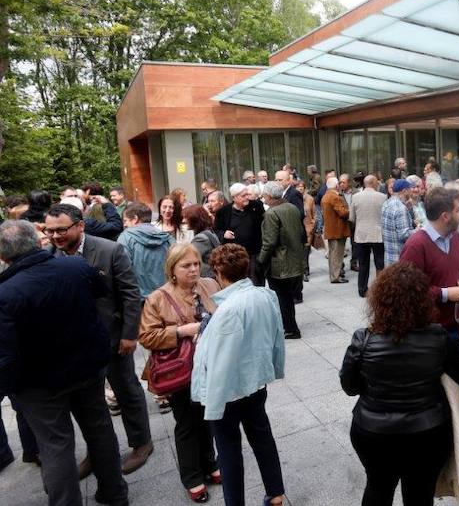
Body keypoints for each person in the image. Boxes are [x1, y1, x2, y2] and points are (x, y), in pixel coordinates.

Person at [0, 220, 128, 506]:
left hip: (40, 384)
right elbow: (100, 293)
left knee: (55, 445)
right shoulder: (75, 266)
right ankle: (115, 493)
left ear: (4, 256)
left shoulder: (5, 293)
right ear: (38, 241)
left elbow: (5, 354)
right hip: (86, 367)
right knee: (99, 428)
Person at [340, 262, 459, 505]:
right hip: (428, 432)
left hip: (373, 432)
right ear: (422, 300)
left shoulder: (363, 340)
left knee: (377, 486)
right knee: (420, 494)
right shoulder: (438, 336)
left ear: (380, 300)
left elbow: (349, 386)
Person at [45, 203, 154, 477]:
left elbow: (130, 294)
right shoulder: (48, 256)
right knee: (87, 402)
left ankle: (142, 443)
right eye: (50, 231)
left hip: (113, 338)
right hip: (73, 345)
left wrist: (130, 334)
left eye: (61, 230)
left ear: (80, 226)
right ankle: (99, 451)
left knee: (126, 390)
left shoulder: (110, 250)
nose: (55, 236)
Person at [192, 244, 287, 506]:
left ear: (219, 273)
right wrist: (276, 367)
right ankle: (276, 492)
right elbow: (276, 336)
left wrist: (211, 405)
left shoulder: (228, 310)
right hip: (256, 382)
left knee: (228, 450)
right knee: (261, 435)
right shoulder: (265, 295)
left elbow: (221, 362)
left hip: (229, 392)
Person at [139, 243, 220, 503]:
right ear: (172, 269)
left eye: (196, 264)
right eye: (186, 266)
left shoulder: (209, 285)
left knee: (208, 417)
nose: (194, 269)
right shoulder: (157, 298)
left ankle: (210, 462)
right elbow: (147, 337)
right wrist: (181, 331)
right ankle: (192, 477)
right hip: (180, 372)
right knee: (186, 423)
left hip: (209, 366)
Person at [399, 187, 459, 338]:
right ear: (445, 216)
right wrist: (445, 294)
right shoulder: (415, 245)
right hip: (430, 333)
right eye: (457, 211)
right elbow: (406, 290)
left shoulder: (456, 239)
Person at [258, 182, 304, 339]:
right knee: (288, 297)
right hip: (294, 260)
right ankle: (291, 327)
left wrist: (261, 260)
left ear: (270, 197)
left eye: (264, 195)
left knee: (282, 297)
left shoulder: (272, 213)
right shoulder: (292, 207)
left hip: (280, 263)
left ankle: (290, 329)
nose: (262, 198)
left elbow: (269, 242)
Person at [117, 202, 175, 299]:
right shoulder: (167, 238)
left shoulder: (125, 238)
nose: (124, 224)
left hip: (140, 300)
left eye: (125, 220)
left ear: (135, 219)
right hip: (168, 297)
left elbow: (123, 272)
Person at [214, 183, 265, 286]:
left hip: (254, 253)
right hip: (235, 256)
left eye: (247, 194)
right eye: (243, 196)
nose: (247, 198)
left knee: (256, 283)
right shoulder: (223, 212)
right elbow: (216, 231)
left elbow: (264, 224)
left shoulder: (256, 206)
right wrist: (223, 234)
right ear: (234, 197)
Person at [350, 175, 387, 298]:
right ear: (373, 183)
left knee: (363, 263)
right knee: (379, 263)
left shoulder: (355, 197)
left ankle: (362, 289)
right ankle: (381, 289)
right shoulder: (382, 197)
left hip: (361, 234)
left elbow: (351, 218)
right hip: (377, 234)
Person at [321, 177, 351, 284]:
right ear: (336, 185)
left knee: (333, 254)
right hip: (337, 230)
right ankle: (336, 276)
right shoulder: (334, 197)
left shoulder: (326, 196)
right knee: (337, 255)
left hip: (331, 229)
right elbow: (343, 212)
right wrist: (349, 210)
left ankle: (334, 275)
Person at [381, 179, 416, 267]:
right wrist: (419, 230)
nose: (411, 192)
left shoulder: (386, 203)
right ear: (404, 191)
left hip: (389, 257)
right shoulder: (400, 208)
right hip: (399, 259)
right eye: (409, 190)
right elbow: (404, 235)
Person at [184, 204, 220, 277]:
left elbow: (188, 256)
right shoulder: (209, 231)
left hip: (207, 277)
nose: (184, 221)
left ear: (194, 219)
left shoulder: (201, 238)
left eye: (186, 218)